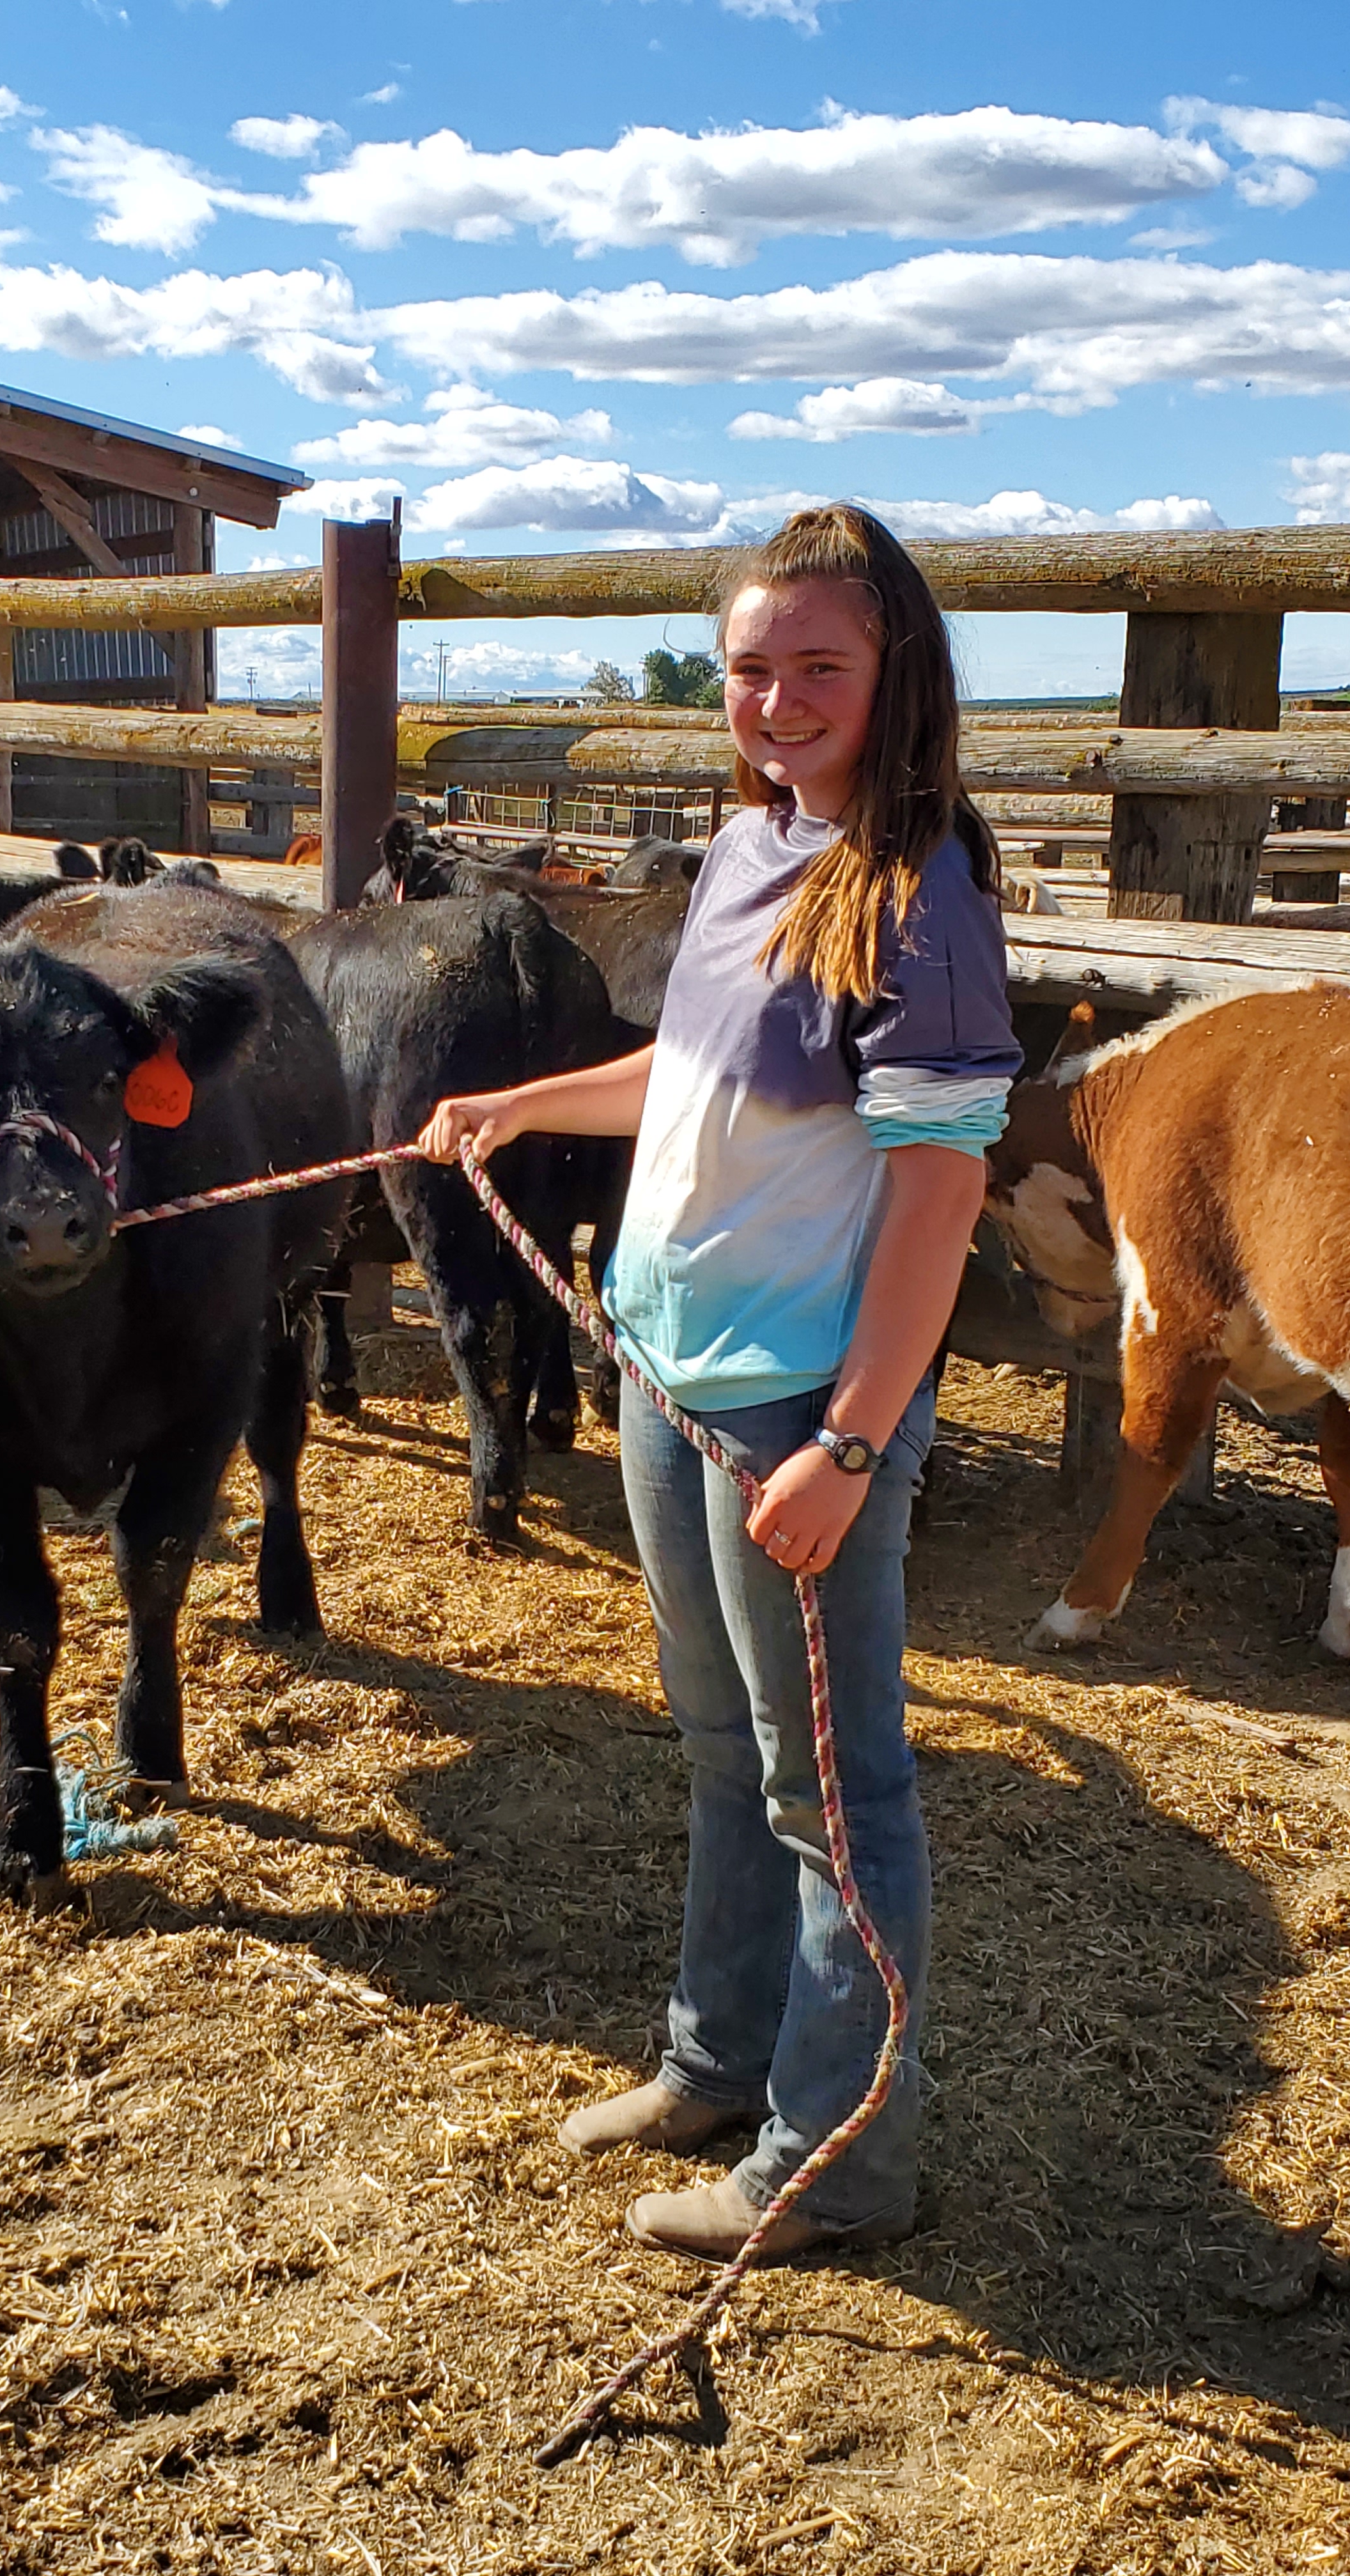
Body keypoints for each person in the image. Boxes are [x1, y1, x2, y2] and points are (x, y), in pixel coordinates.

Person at [419, 504, 1021, 2263]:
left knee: (837, 1791)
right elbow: (691, 1076)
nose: (777, 699)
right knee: (724, 1746)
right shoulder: (752, 846)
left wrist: (853, 1438)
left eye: (819, 666)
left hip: (795, 1402)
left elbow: (940, 1187)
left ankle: (838, 2158)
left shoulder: (918, 894)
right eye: (751, 667)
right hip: (668, 1362)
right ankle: (716, 2061)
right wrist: (527, 1105)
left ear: (895, 674)